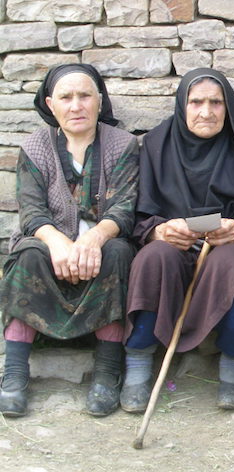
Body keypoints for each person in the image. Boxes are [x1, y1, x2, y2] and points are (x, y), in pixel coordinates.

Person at [0, 64, 139, 417]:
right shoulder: (34, 147)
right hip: (49, 246)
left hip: (102, 246)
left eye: (85, 96)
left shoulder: (122, 145)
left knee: (119, 253)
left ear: (99, 101)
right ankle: (15, 374)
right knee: (27, 255)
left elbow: (124, 208)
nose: (76, 105)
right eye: (66, 97)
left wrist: (94, 237)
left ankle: (107, 373)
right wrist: (58, 243)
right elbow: (31, 213)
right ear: (51, 104)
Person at [122, 68, 234, 412]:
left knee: (232, 262)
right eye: (196, 102)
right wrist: (159, 231)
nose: (206, 111)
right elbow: (140, 215)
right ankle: (138, 363)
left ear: (227, 107)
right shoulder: (155, 145)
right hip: (175, 245)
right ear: (182, 105)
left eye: (216, 102)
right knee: (154, 258)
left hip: (229, 244)